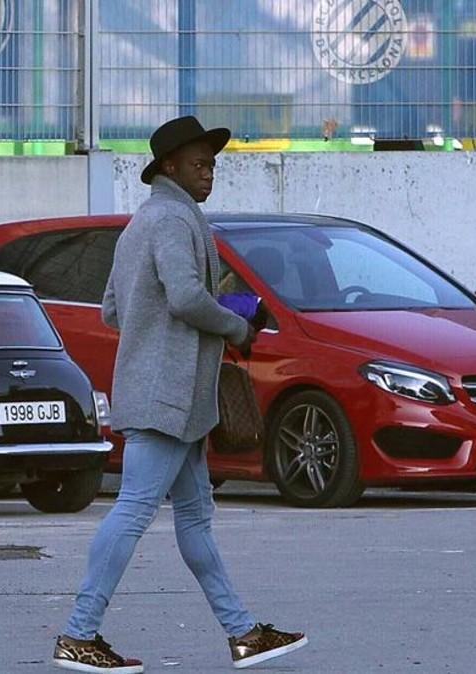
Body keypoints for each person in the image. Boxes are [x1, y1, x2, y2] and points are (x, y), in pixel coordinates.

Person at [53, 116, 307, 673]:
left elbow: (113, 310)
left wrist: (165, 330)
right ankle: (78, 633)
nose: (208, 172)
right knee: (134, 510)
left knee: (194, 519)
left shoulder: (142, 222)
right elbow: (187, 298)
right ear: (168, 166)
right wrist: (236, 326)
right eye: (198, 163)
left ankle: (243, 633)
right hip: (166, 397)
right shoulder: (172, 219)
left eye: (212, 164)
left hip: (173, 397)